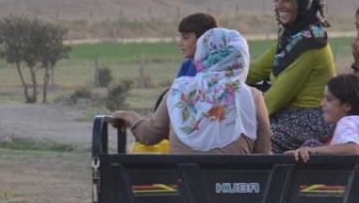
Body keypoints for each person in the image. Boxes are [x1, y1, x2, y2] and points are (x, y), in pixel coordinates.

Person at [109, 28, 271, 154]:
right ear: (241, 59)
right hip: (236, 189)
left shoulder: (179, 91)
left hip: (185, 187)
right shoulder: (251, 96)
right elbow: (263, 151)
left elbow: (149, 135)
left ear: (202, 55)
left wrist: (130, 117)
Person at [247, 0, 336, 152]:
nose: (280, 5)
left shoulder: (310, 43)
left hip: (309, 117)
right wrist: (219, 81)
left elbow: (275, 99)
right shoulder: (289, 37)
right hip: (286, 113)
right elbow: (255, 70)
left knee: (256, 143)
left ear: (304, 2)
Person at [286, 74, 359, 162]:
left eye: (329, 99)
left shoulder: (347, 122)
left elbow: (353, 149)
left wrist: (313, 151)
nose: (322, 103)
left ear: (347, 106)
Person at [175, 12, 218, 78]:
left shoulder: (221, 67)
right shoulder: (186, 65)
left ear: (203, 39)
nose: (180, 43)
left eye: (185, 37)